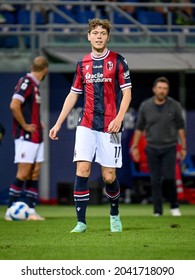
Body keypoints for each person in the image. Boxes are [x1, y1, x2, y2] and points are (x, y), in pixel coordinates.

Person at [49, 18, 132, 233]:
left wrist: (119, 118)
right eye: (95, 33)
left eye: (102, 33)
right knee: (83, 169)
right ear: (88, 36)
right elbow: (73, 95)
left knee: (109, 176)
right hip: (86, 124)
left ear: (108, 37)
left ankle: (114, 214)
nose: (98, 36)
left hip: (110, 125)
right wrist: (58, 123)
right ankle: (81, 222)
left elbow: (127, 93)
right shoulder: (82, 64)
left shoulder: (118, 60)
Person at [131, 76, 186, 217]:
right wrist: (135, 146)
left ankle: (174, 206)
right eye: (160, 88)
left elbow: (181, 127)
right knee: (154, 180)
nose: (162, 91)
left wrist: (184, 147)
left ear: (167, 91)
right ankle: (157, 211)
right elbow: (139, 127)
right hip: (152, 147)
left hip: (169, 147)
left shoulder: (174, 105)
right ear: (154, 89)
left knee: (169, 178)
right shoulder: (145, 106)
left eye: (165, 88)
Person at [4, 56, 49, 221]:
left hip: (37, 135)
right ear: (45, 70)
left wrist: (38, 122)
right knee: (23, 173)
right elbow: (14, 104)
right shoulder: (27, 82)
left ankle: (30, 211)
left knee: (34, 172)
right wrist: (24, 125)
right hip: (26, 136)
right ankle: (10, 210)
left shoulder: (35, 86)